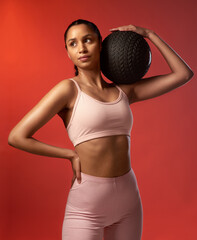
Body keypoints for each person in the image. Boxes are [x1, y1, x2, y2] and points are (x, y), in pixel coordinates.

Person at [8, 19, 194, 240]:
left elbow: (183, 74)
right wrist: (69, 154)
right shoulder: (68, 90)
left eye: (88, 40)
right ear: (68, 52)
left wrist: (150, 34)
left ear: (101, 45)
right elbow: (17, 136)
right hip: (87, 208)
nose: (82, 48)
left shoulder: (124, 91)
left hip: (128, 203)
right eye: (73, 43)